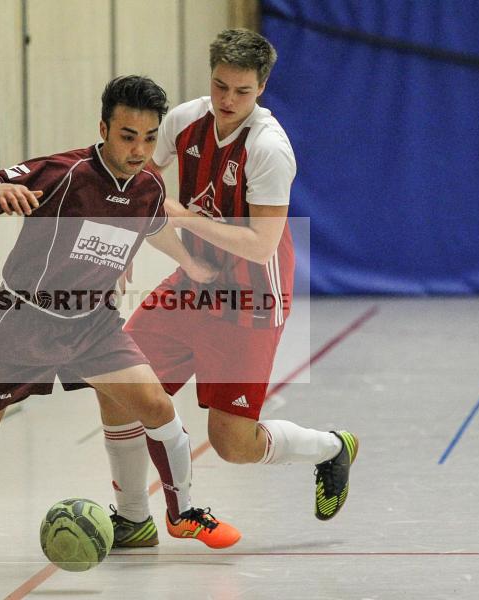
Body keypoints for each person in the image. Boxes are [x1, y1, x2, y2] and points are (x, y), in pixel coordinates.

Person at [0, 76, 241, 560]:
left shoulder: (149, 186)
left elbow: (154, 224)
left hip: (93, 324)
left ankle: (182, 514)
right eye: (126, 136)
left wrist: (195, 264)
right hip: (23, 321)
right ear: (103, 128)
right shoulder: (65, 172)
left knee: (158, 408)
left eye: (149, 137)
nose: (139, 149)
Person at [98, 30, 359, 548]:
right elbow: (140, 185)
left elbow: (261, 245)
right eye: (220, 86)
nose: (227, 100)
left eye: (241, 91)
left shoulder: (269, 148)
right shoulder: (184, 121)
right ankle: (134, 517)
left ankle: (331, 448)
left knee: (232, 444)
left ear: (261, 87)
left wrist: (183, 219)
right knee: (117, 386)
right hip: (193, 282)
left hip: (251, 299)